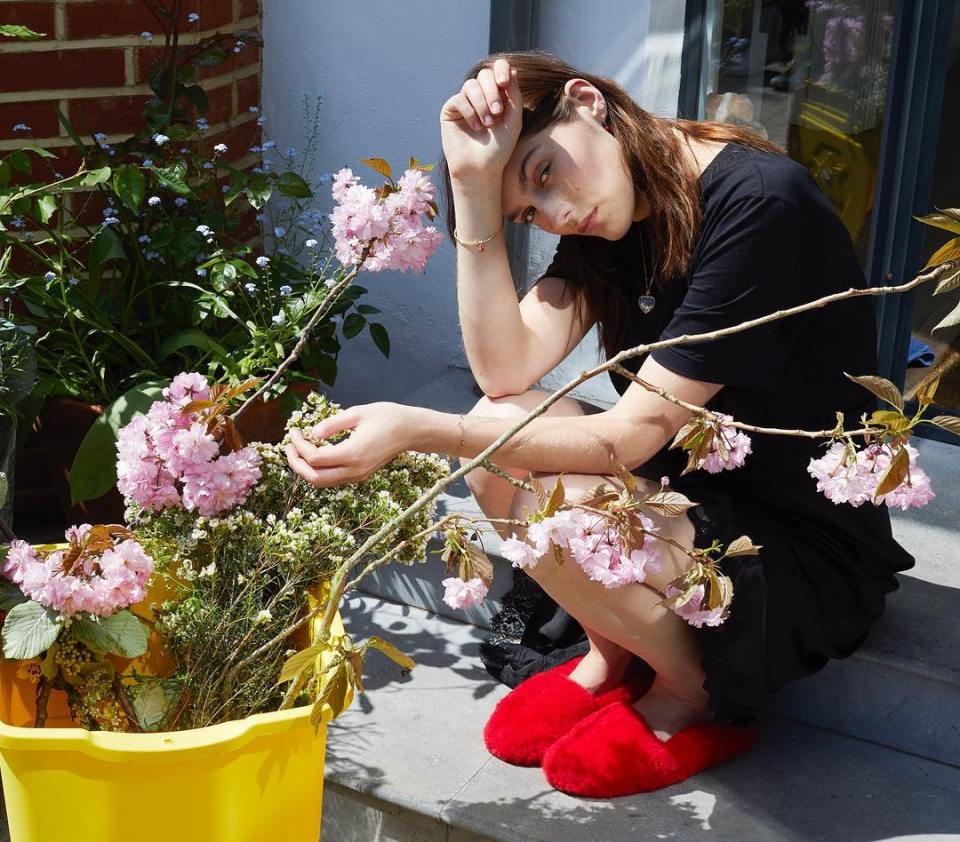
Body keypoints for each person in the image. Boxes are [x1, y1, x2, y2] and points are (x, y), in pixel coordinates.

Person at [286, 51, 915, 798]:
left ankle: (694, 694)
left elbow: (627, 440)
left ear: (588, 102)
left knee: (546, 487)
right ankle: (611, 653)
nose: (553, 215)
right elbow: (504, 373)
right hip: (687, 507)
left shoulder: (758, 206)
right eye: (530, 211)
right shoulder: (617, 211)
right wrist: (474, 188)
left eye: (544, 175)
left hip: (794, 546)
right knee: (500, 430)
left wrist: (423, 430)